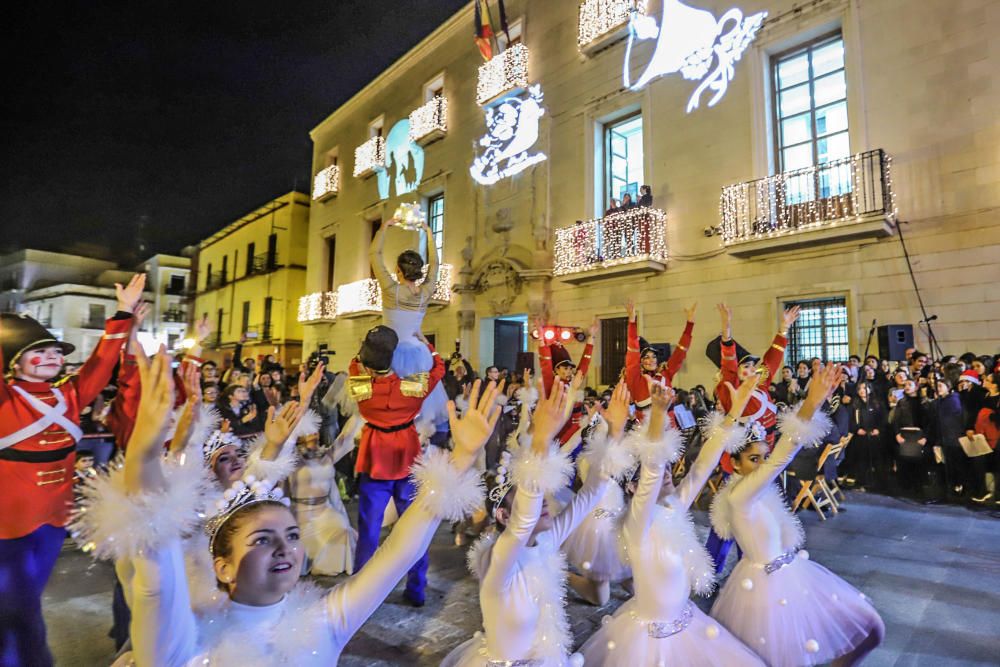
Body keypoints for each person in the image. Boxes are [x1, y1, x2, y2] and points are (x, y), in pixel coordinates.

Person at [72, 346, 495, 666]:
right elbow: (154, 578)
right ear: (222, 566)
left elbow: (401, 550)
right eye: (263, 539)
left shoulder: (325, 620)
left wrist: (460, 459)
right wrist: (146, 453)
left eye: (292, 535)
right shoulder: (186, 641)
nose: (287, 549)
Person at [0, 273, 144, 666]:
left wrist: (124, 312)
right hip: (6, 520)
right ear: (12, 360)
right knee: (18, 606)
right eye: (38, 352)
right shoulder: (5, 397)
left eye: (56, 352)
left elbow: (102, 361)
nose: (52, 358)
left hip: (54, 517)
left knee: (20, 604)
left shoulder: (70, 393)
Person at [441, 380, 632, 667]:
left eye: (539, 495)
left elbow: (590, 494)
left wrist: (615, 433)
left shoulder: (547, 540)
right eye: (528, 498)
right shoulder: (500, 560)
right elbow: (522, 524)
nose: (542, 500)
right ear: (504, 516)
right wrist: (541, 439)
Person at [580, 377, 766, 666]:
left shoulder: (674, 506)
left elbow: (704, 464)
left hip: (689, 624)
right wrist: (655, 415)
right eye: (650, 475)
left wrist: (734, 414)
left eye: (668, 467)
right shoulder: (637, 524)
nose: (665, 472)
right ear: (633, 488)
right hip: (649, 642)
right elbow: (652, 471)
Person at [710, 363, 885, 666]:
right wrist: (810, 404)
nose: (761, 465)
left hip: (794, 573)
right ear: (735, 465)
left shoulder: (759, 492)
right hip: (764, 588)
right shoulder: (740, 496)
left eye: (763, 457)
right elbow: (781, 457)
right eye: (753, 459)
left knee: (871, 627)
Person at [350, 326, 446, 607]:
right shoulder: (412, 386)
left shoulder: (360, 385)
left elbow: (355, 363)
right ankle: (417, 588)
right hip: (407, 458)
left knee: (368, 529)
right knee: (415, 529)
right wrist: (429, 346)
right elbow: (438, 369)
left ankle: (360, 591)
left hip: (376, 459)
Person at [364, 213, 448, 429]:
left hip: (387, 353)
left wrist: (384, 227)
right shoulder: (426, 291)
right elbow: (436, 263)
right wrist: (429, 233)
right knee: (413, 406)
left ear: (397, 271)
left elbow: (374, 254)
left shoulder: (391, 290)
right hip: (417, 355)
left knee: (376, 403)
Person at [287, 414, 362, 576]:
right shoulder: (291, 459)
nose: (315, 434)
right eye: (309, 432)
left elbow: (346, 437)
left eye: (316, 431)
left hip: (324, 509)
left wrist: (359, 412)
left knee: (342, 528)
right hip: (301, 512)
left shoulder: (326, 455)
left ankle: (328, 567)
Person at [623, 299, 696, 420]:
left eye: (653, 356)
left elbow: (680, 353)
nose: (651, 360)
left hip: (671, 433)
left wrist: (690, 324)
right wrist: (632, 322)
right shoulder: (635, 379)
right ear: (640, 362)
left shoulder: (665, 374)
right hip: (646, 435)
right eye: (646, 357)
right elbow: (632, 353)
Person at [849, 380, 888, 492]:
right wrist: (857, 430)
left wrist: (879, 429)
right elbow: (851, 421)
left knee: (878, 461)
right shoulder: (855, 404)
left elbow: (883, 419)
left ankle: (880, 485)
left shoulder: (877, 403)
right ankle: (862, 483)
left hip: (875, 436)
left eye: (864, 388)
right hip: (861, 437)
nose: (862, 391)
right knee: (862, 461)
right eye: (860, 389)